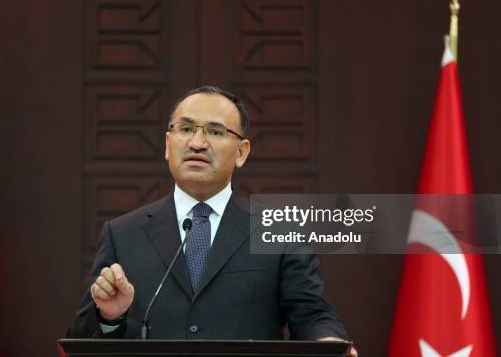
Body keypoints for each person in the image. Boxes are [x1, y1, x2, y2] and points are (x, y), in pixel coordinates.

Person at [66, 86, 357, 356]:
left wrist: (329, 344)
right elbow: (79, 340)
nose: (197, 143)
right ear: (168, 145)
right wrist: (109, 318)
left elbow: (312, 314)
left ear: (241, 152)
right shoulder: (123, 234)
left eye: (216, 132)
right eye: (186, 129)